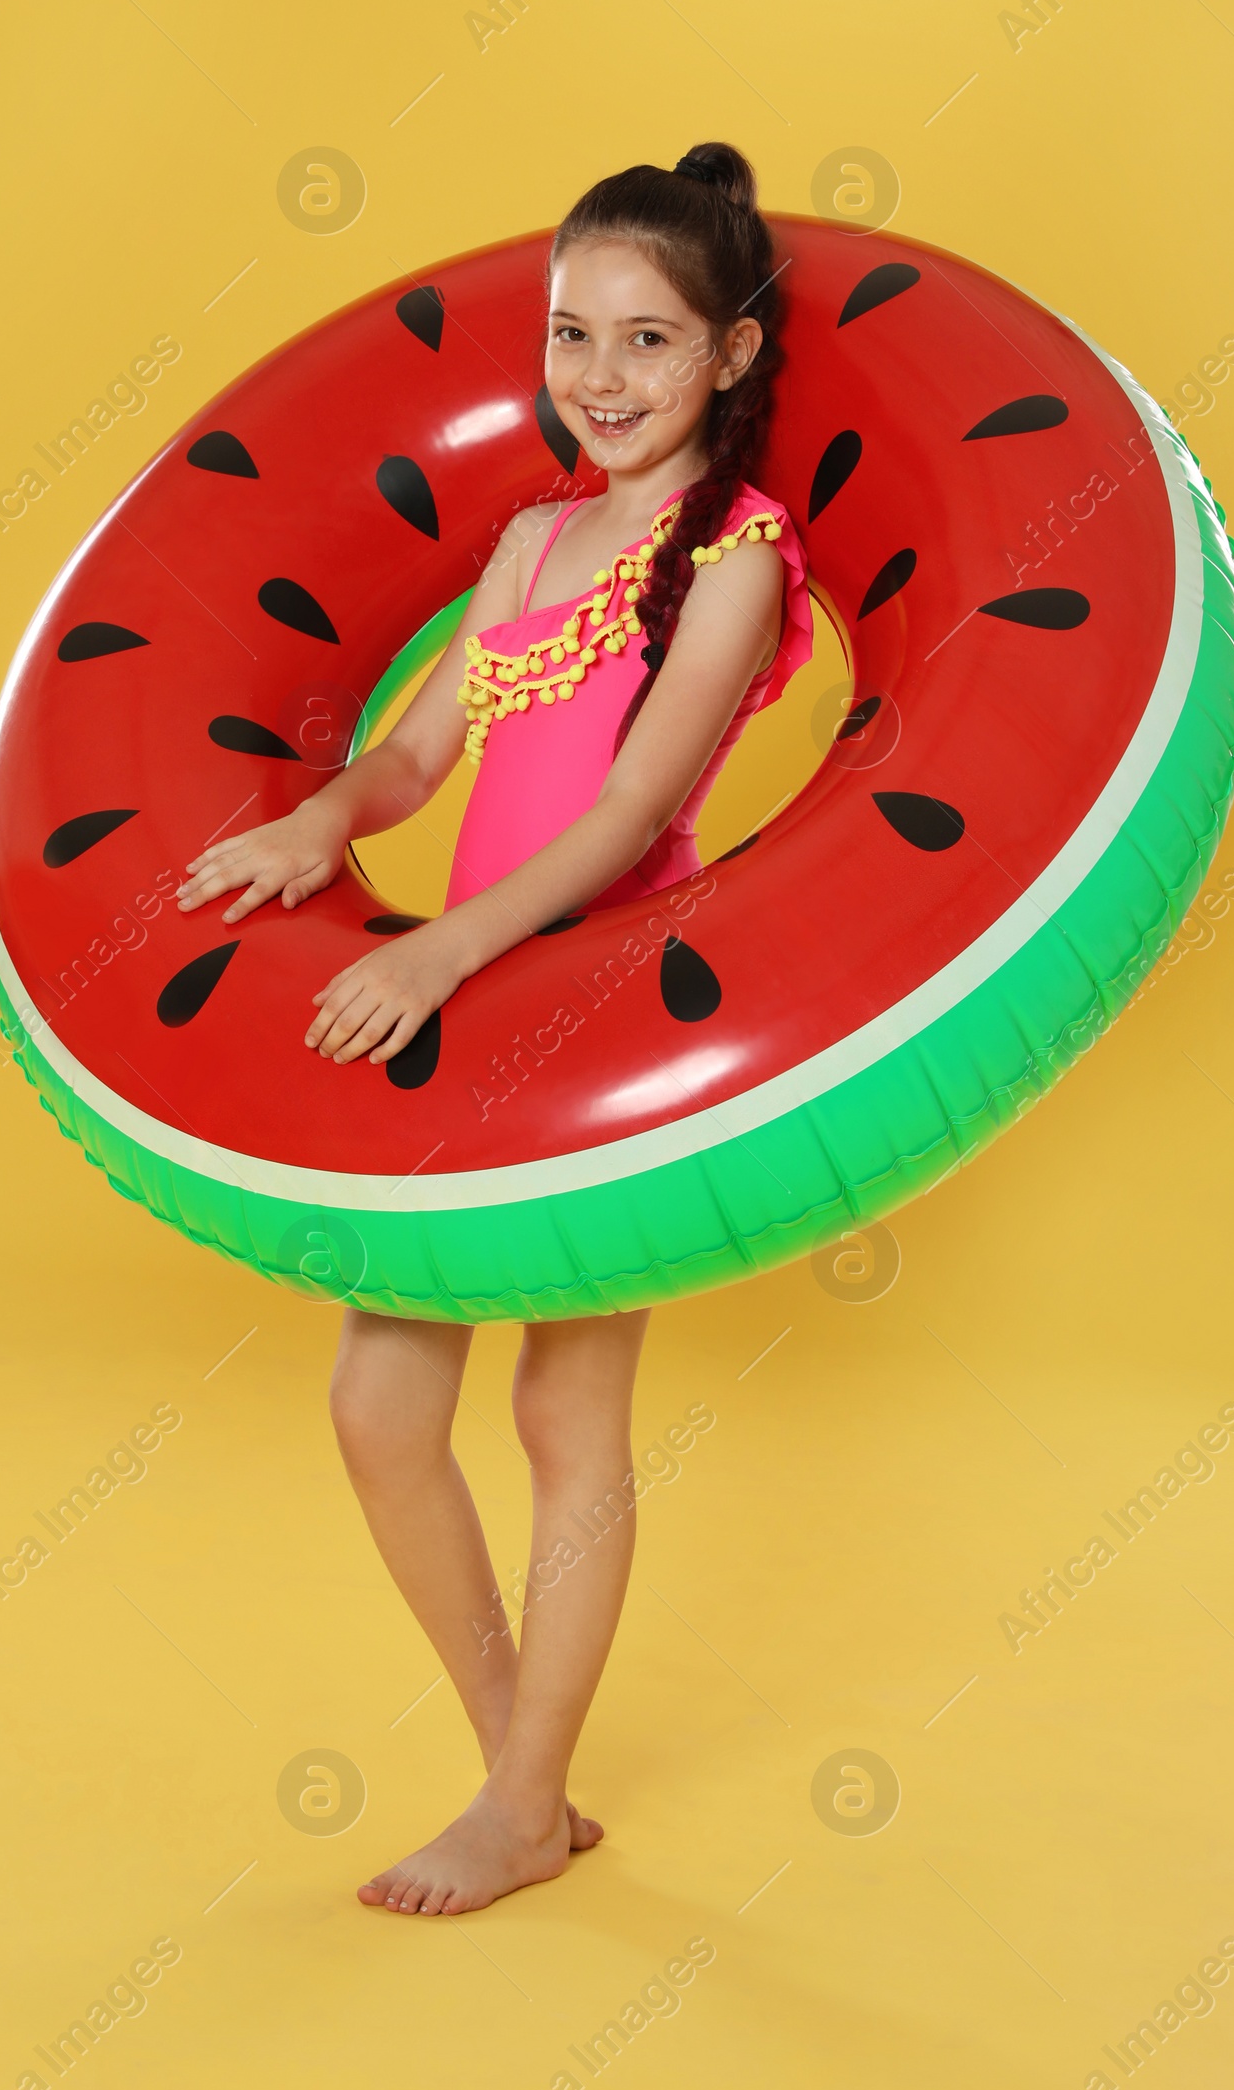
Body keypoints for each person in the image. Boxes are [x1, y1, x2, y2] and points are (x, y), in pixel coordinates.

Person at [177, 143, 812, 1914]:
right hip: (466, 991)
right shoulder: (531, 535)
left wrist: (439, 954)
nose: (600, 382)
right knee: (383, 1405)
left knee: (566, 1411)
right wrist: (326, 820)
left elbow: (622, 817)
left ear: (730, 359)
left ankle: (523, 1803)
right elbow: (417, 751)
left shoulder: (740, 555)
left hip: (597, 1011)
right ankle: (519, 1771)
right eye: (571, 336)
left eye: (648, 343)